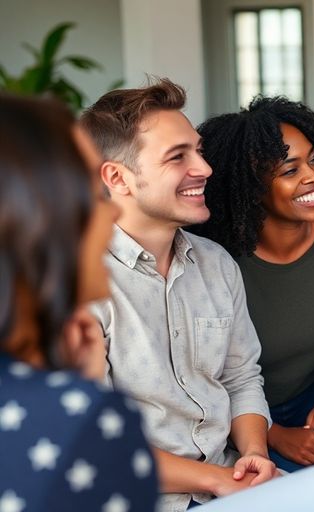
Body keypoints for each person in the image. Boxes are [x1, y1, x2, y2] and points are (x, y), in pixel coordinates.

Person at [80, 79, 276, 511]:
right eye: (177, 157)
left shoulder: (216, 263)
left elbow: (241, 378)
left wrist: (254, 456)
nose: (204, 168)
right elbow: (93, 439)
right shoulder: (77, 284)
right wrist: (222, 481)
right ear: (117, 177)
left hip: (231, 476)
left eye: (198, 150)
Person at [190, 96, 314, 469]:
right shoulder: (212, 258)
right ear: (250, 187)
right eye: (289, 170)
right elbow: (202, 377)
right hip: (238, 422)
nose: (313, 175)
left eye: (313, 158)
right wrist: (274, 434)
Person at [0, 94, 158, 512]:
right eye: (95, 193)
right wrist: (79, 392)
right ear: (38, 223)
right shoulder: (85, 421)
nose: (111, 216)